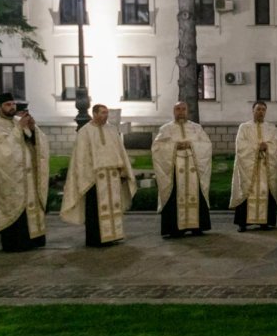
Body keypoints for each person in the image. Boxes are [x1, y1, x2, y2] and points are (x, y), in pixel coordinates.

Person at [61, 103, 137, 246]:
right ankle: (96, 239)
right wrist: (89, 173)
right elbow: (81, 157)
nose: (105, 115)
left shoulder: (112, 130)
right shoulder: (85, 131)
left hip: (112, 177)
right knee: (94, 210)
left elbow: (120, 151)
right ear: (94, 114)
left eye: (106, 113)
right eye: (102, 113)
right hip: (95, 178)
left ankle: (113, 235)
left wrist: (122, 170)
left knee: (114, 206)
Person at [0, 94, 49, 252]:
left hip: (28, 175)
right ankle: (16, 243)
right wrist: (19, 128)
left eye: (13, 104)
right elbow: (2, 151)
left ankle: (35, 239)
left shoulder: (17, 121)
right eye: (7, 105)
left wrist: (33, 129)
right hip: (11, 177)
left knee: (31, 207)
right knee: (16, 208)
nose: (12, 107)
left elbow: (37, 142)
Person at [152, 101, 213, 238]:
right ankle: (174, 228)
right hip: (174, 169)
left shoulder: (196, 128)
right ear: (173, 111)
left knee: (196, 193)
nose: (181, 112)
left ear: (187, 111)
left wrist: (191, 145)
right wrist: (174, 146)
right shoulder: (165, 129)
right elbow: (157, 148)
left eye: (183, 109)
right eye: (178, 109)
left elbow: (207, 145)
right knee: (174, 194)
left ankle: (197, 226)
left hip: (193, 167)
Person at [229, 101, 277, 232]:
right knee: (247, 189)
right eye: (258, 109)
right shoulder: (244, 127)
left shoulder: (271, 128)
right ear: (253, 111)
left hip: (265, 167)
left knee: (266, 191)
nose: (261, 112)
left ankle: (265, 222)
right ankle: (243, 223)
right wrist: (257, 147)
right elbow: (240, 146)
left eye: (263, 110)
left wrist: (268, 147)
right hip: (248, 168)